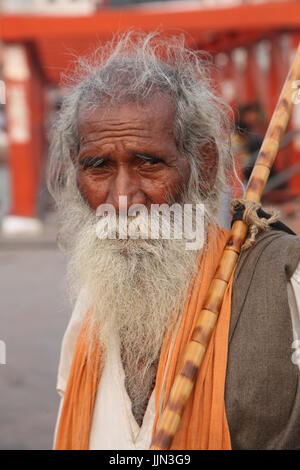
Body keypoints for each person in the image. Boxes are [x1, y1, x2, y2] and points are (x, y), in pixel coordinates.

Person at [48, 32, 300, 450]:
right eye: (98, 166)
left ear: (202, 163)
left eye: (148, 163)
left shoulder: (286, 281)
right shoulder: (94, 300)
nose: (123, 198)